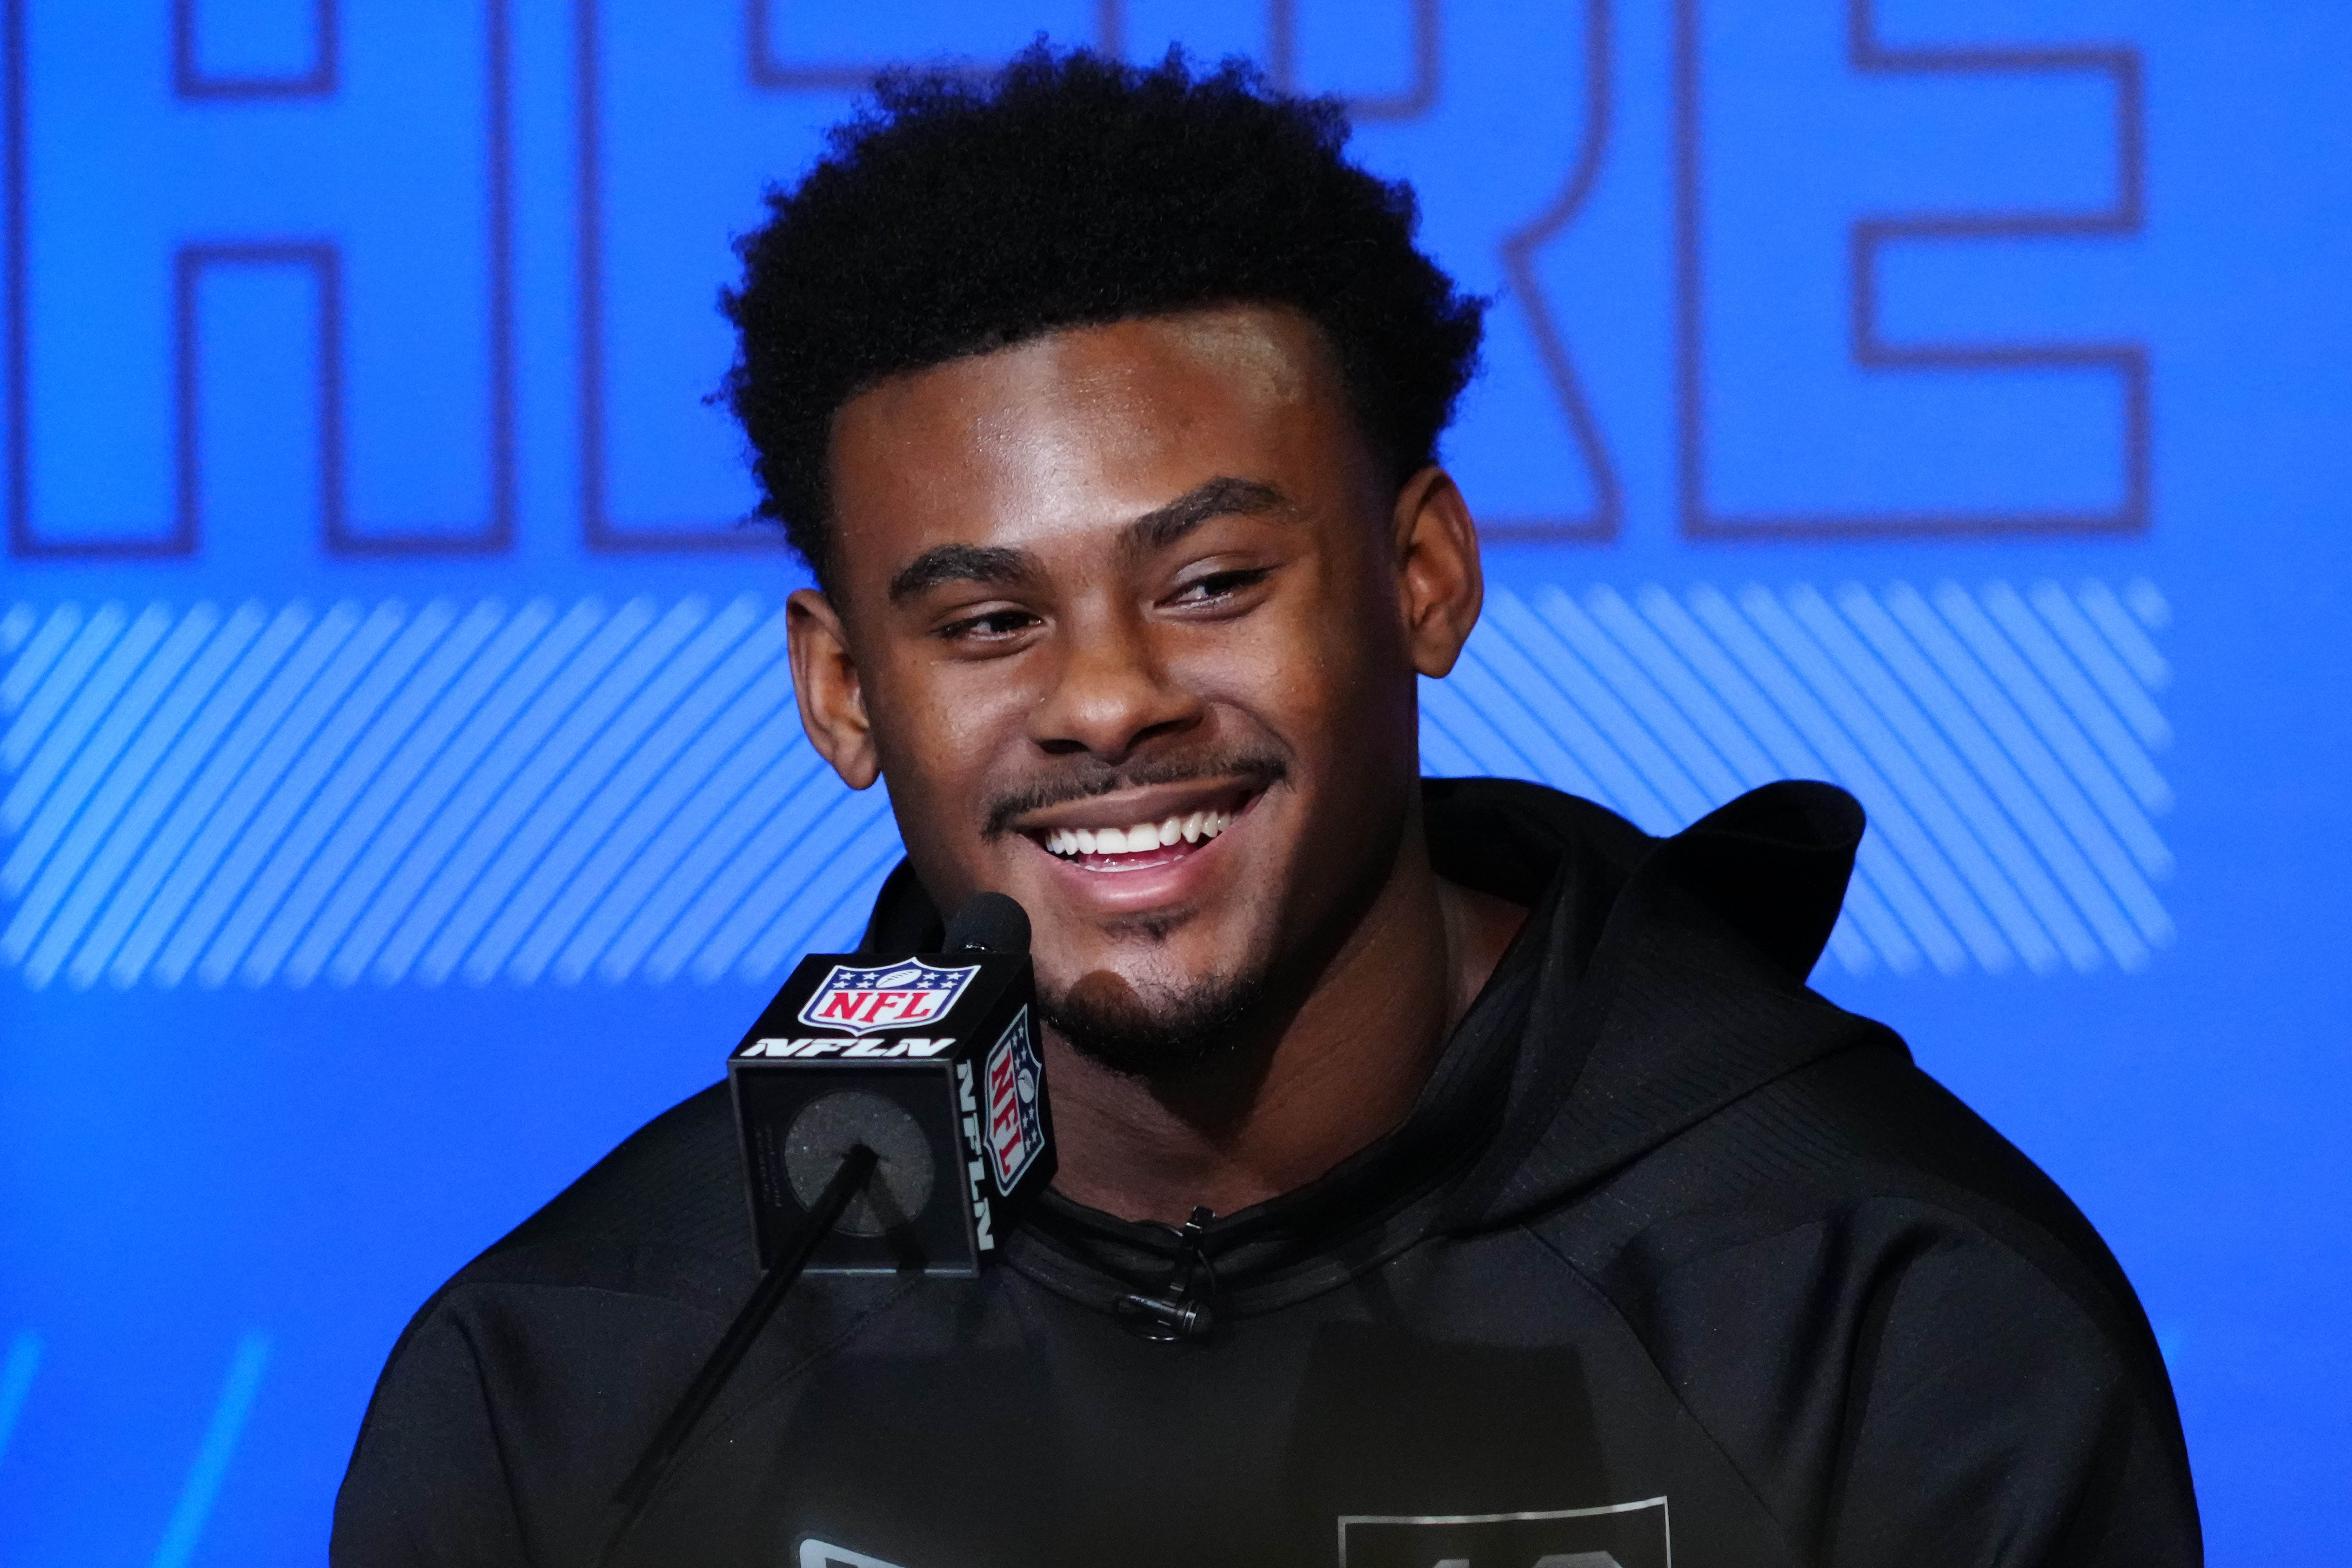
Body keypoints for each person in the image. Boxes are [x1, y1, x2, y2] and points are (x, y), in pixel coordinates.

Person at [332, 47, 2199, 1567]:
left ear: (1422, 577)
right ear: (840, 690)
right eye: (988, 620)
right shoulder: (578, 1380)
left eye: (1211, 581)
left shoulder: (1880, 1316)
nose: (1108, 700)